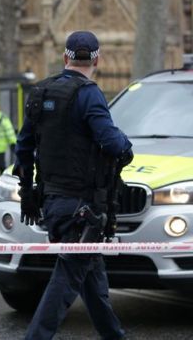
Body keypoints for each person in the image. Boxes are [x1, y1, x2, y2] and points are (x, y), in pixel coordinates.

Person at [13, 31, 132, 340]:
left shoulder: (41, 91)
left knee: (92, 279)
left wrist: (27, 194)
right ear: (97, 60)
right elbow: (111, 142)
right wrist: (125, 144)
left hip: (52, 203)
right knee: (67, 279)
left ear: (65, 58)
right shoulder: (90, 93)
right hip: (83, 206)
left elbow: (23, 149)